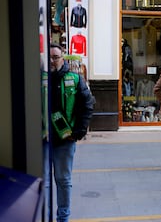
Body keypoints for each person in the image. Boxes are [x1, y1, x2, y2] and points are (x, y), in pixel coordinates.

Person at [47, 43, 94, 222]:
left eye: (55, 57)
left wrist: (79, 132)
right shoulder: (38, 78)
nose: (52, 61)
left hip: (65, 140)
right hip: (42, 140)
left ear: (62, 58)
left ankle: (63, 217)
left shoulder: (74, 78)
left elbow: (87, 105)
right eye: (49, 57)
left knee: (63, 180)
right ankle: (45, 215)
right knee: (43, 181)